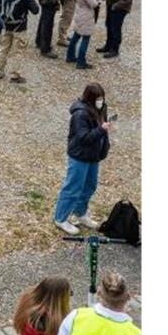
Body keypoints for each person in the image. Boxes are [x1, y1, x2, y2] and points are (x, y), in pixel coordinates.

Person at [52, 82, 114, 235]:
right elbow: (83, 138)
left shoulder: (101, 108)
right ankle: (61, 218)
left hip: (94, 156)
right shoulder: (80, 114)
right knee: (73, 188)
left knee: (89, 186)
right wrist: (101, 129)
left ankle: (80, 213)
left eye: (102, 98)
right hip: (80, 156)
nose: (101, 101)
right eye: (98, 98)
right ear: (91, 98)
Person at [0, 0, 40, 84]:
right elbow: (36, 10)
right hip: (20, 26)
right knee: (18, 51)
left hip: (6, 25)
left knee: (4, 48)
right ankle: (15, 75)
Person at [66, 0, 103, 70]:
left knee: (76, 37)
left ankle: (70, 56)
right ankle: (81, 62)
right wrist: (97, 0)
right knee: (85, 39)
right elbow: (93, 4)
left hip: (79, 15)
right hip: (86, 17)